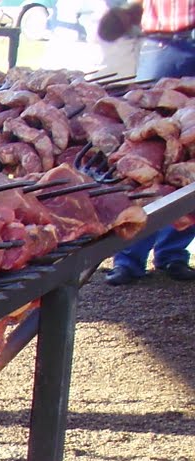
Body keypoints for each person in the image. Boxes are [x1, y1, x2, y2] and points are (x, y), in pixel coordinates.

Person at [100, 0, 195, 282]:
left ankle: (172, 253)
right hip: (160, 46)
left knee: (189, 159)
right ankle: (129, 259)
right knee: (145, 150)